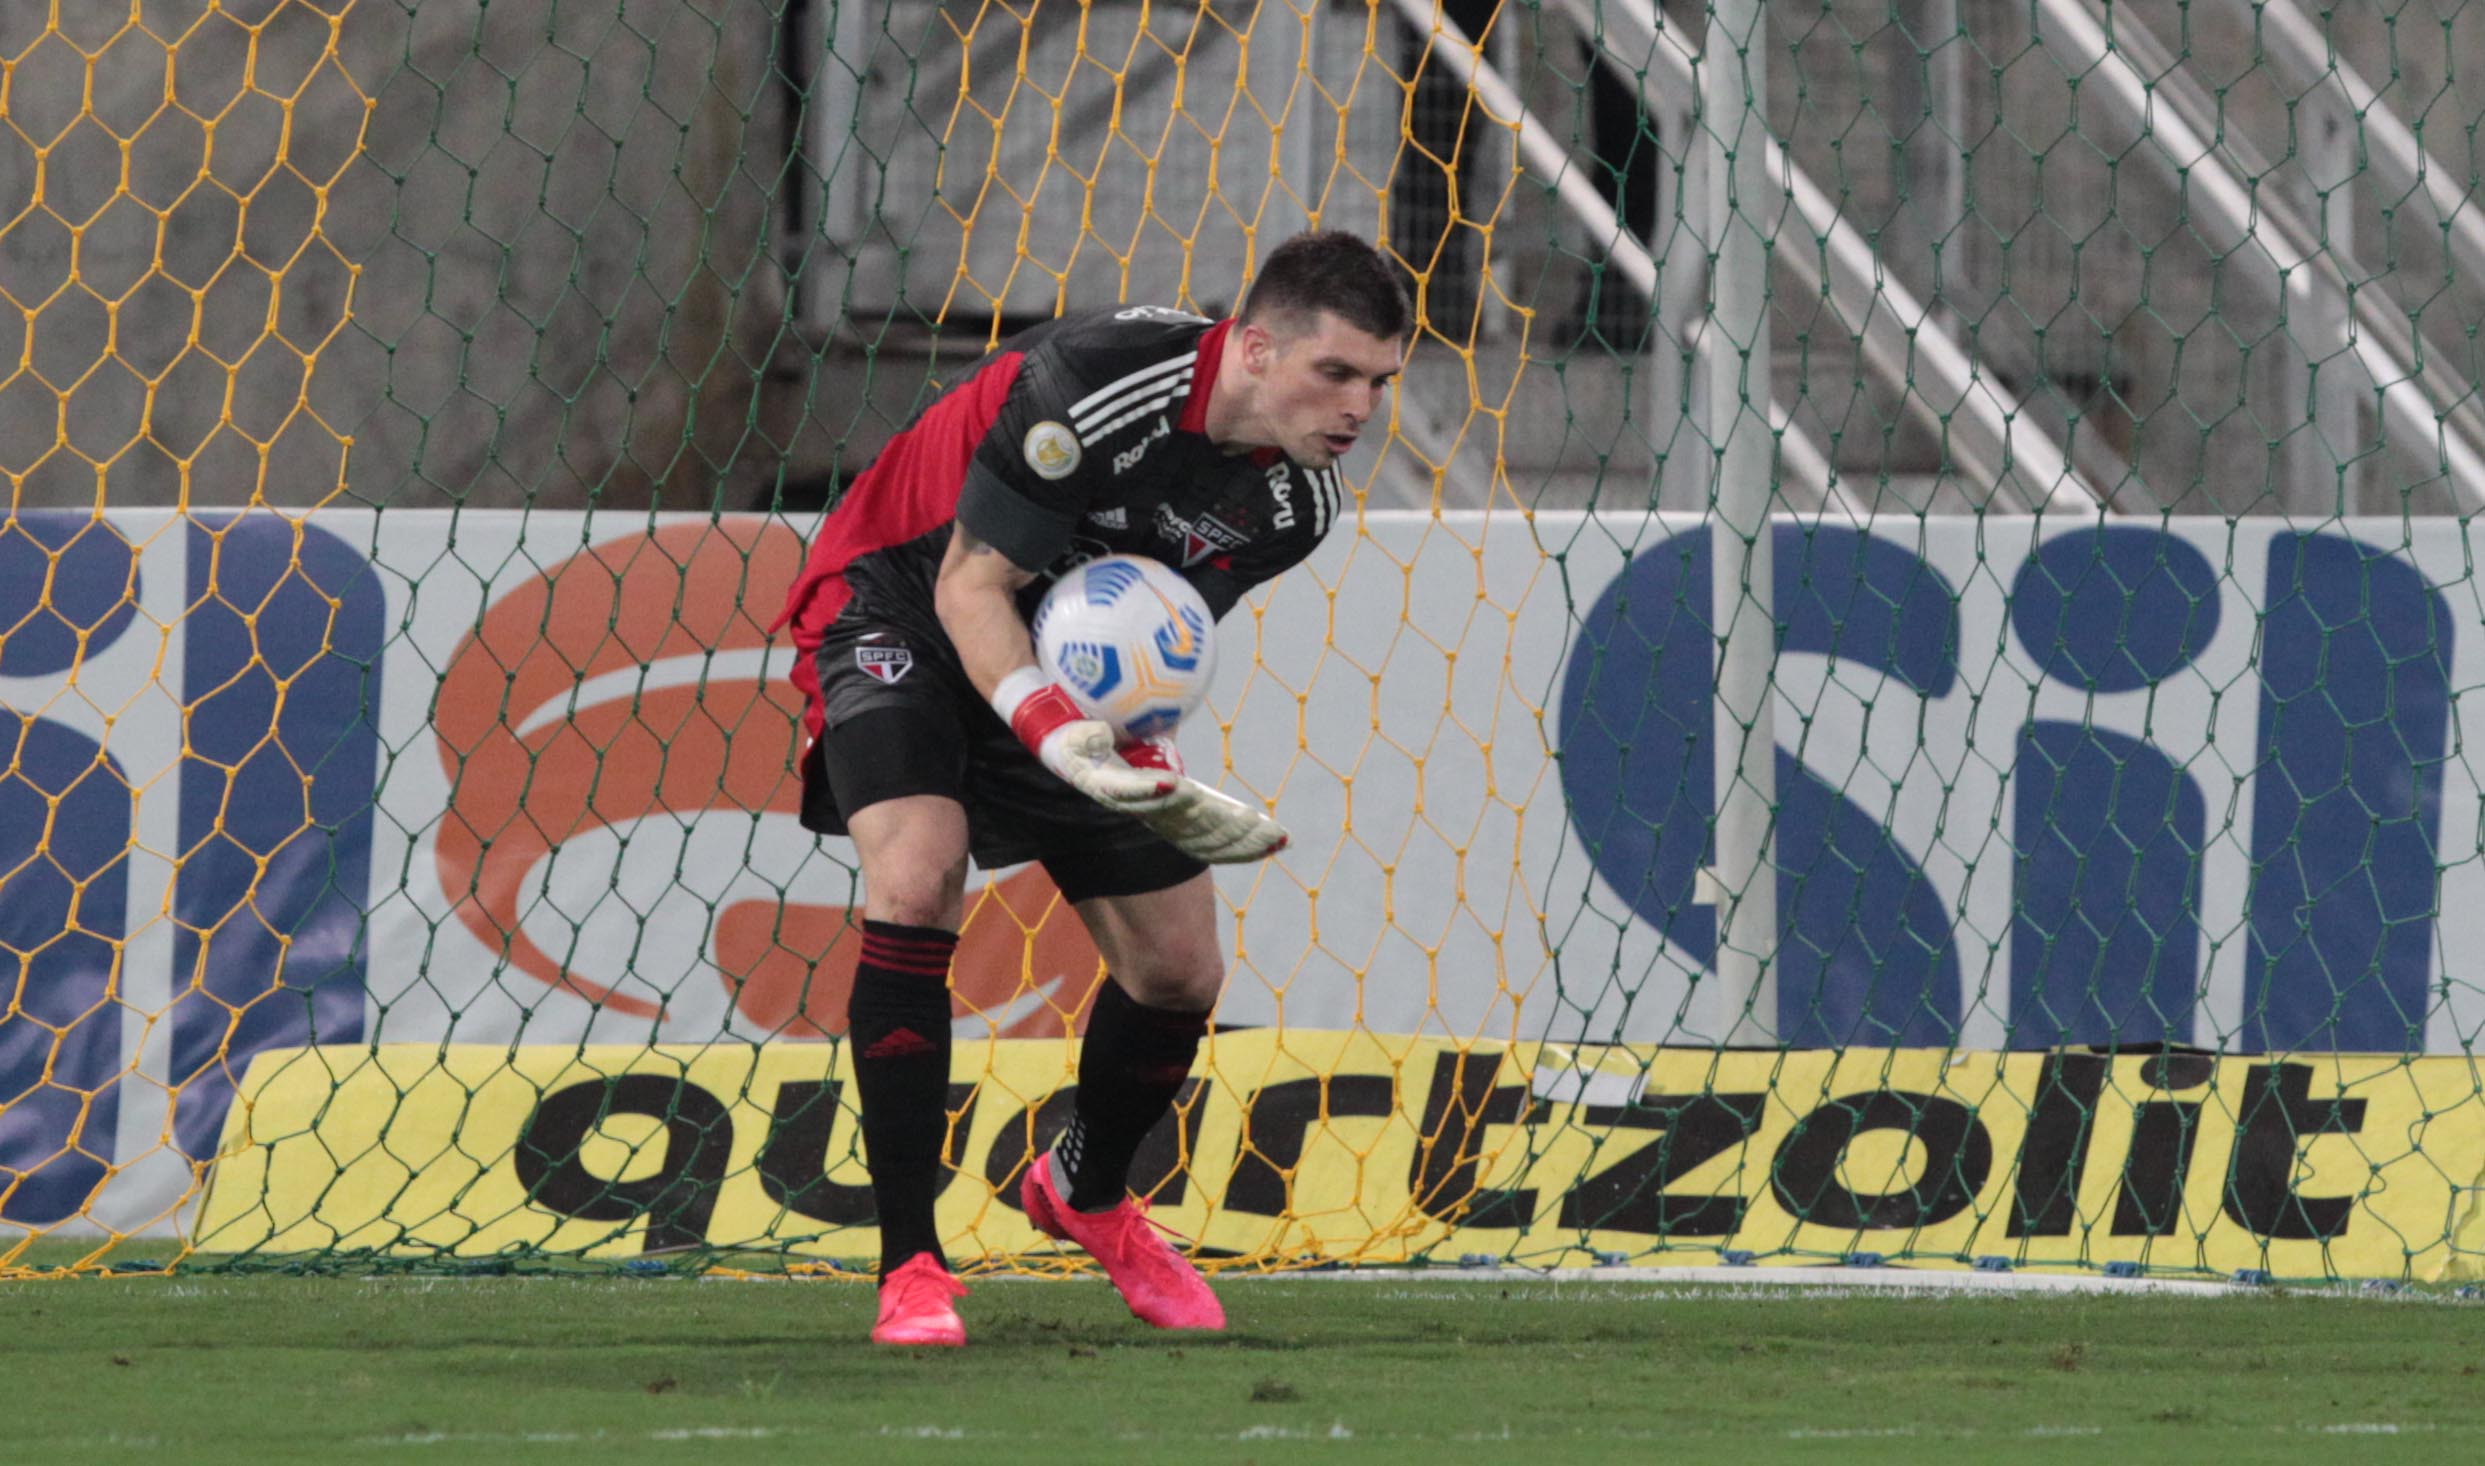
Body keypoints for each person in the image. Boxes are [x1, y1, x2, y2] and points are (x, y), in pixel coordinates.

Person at [772, 231, 1413, 1346]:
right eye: (1337, 372)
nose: (1360, 407)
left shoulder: (1294, 507)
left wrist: (1145, 763)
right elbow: (974, 584)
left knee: (1178, 970)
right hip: (906, 605)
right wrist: (1056, 731)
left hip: (1055, 662)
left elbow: (1145, 638)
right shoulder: (1097, 385)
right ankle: (911, 1264)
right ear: (1255, 348)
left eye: (1380, 382)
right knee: (918, 877)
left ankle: (1085, 1190)